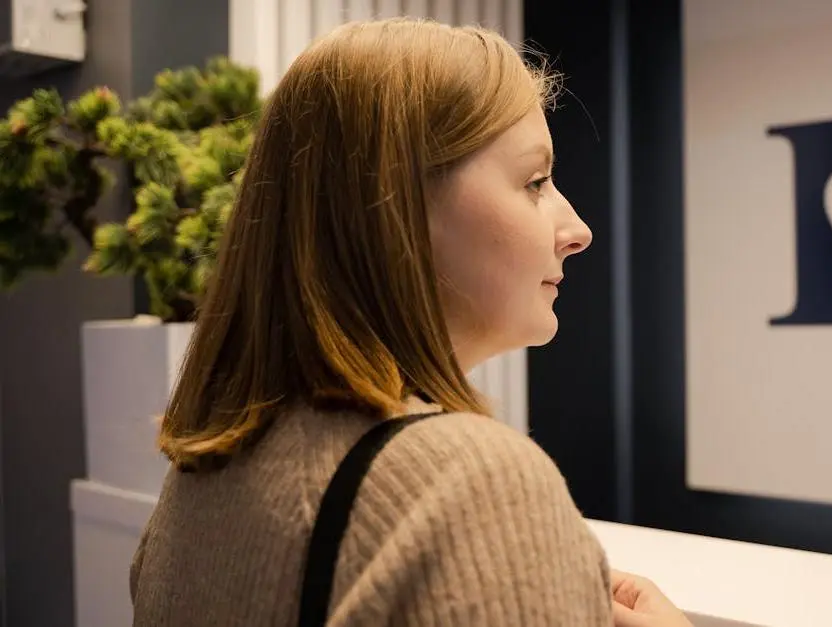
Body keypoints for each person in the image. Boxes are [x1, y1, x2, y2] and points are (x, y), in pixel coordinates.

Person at [129, 17, 693, 627]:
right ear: (396, 209)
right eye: (535, 182)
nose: (577, 232)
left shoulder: (196, 483)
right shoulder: (471, 486)